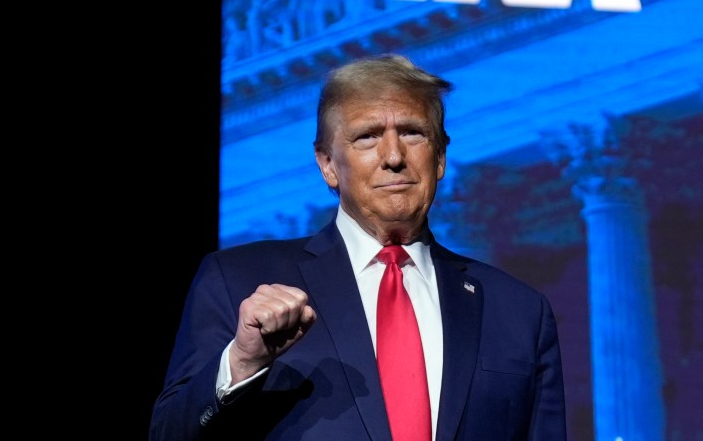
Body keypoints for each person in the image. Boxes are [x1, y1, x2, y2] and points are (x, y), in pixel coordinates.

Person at [149, 54, 567, 441]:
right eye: (367, 137)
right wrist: (242, 361)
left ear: (439, 156)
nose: (393, 156)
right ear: (328, 165)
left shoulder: (519, 311)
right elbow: (170, 433)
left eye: (412, 133)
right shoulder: (237, 280)